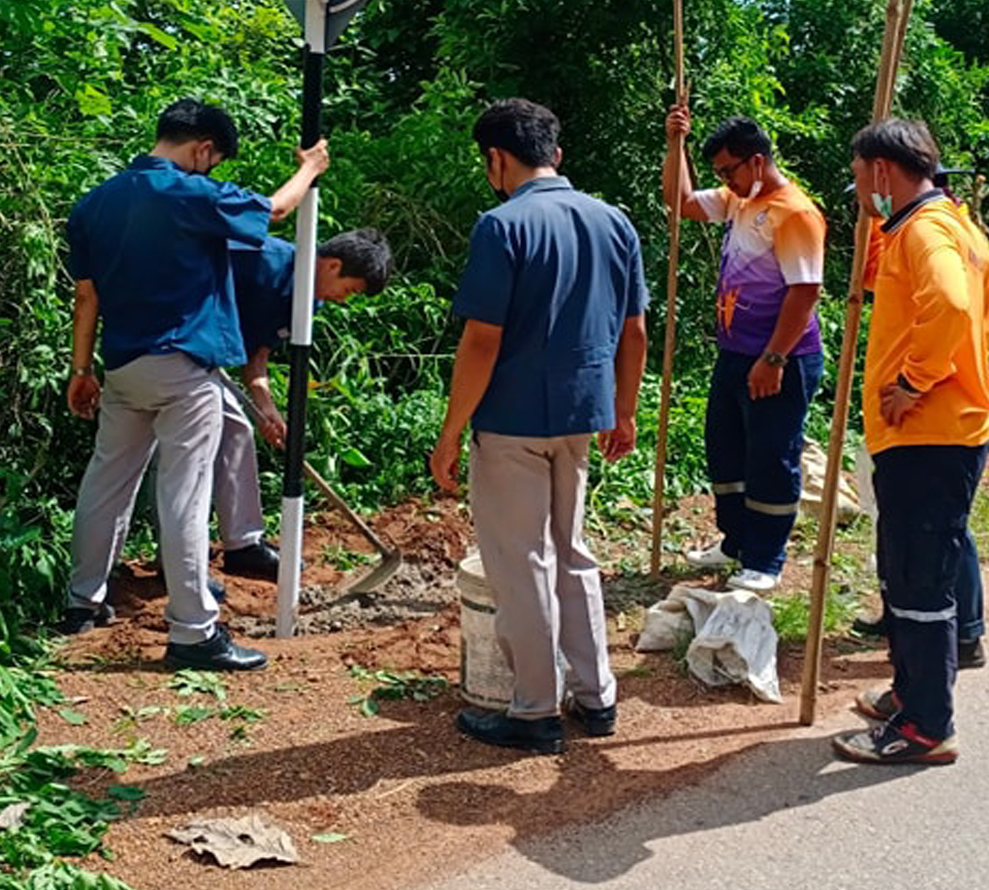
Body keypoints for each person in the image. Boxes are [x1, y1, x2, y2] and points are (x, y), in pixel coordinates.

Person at [61, 98, 327, 672]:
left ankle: (82, 602)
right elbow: (276, 211)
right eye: (213, 161)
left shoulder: (94, 205)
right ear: (203, 148)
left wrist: (80, 372)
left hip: (123, 366)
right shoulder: (189, 193)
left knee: (106, 481)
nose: (210, 170)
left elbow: (87, 297)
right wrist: (310, 167)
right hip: (184, 366)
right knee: (183, 494)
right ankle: (193, 632)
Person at [431, 98, 648, 755]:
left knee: (521, 561)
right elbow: (634, 330)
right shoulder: (615, 222)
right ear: (556, 151)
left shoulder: (501, 226)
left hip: (511, 419)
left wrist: (449, 433)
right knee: (572, 550)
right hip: (583, 414)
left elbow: (481, 342)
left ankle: (533, 709)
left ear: (498, 158)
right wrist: (626, 408)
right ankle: (597, 692)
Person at [832, 118, 989, 765]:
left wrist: (911, 380)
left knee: (920, 583)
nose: (856, 190)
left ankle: (928, 726)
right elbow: (892, 288)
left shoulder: (927, 229)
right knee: (904, 572)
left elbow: (951, 308)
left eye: (857, 177)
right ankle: (910, 692)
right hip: (936, 432)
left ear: (881, 171)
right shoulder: (944, 221)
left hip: (929, 433)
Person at [661, 108, 826, 592]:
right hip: (734, 352)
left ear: (756, 162)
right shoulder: (741, 200)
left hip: (781, 358)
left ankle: (766, 556)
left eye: (729, 170)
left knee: (771, 454)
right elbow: (682, 201)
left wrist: (773, 358)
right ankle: (735, 540)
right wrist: (677, 145)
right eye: (720, 175)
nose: (725, 182)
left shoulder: (794, 212)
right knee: (726, 449)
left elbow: (804, 292)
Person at [213, 228, 394, 579]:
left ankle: (242, 547)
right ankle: (219, 551)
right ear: (333, 266)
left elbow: (257, 354)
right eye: (351, 289)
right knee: (202, 444)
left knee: (235, 431)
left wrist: (266, 407)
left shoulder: (309, 301)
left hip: (205, 359)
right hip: (174, 344)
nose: (344, 300)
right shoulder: (257, 257)